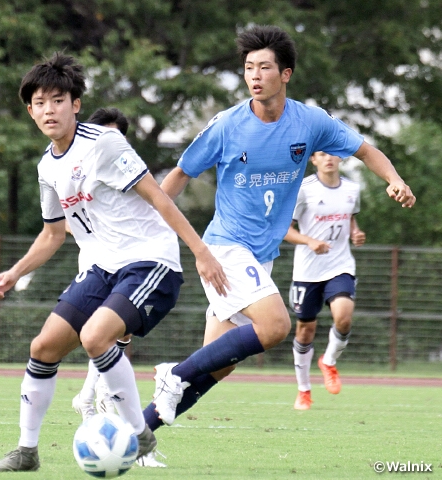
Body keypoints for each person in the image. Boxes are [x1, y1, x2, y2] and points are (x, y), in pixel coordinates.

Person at [144, 24, 415, 431]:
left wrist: (394, 179)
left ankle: (138, 434)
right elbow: (180, 174)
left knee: (218, 364)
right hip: (226, 246)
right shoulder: (227, 125)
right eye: (249, 67)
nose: (254, 75)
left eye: (264, 67)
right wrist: (157, 228)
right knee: (275, 326)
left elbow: (365, 149)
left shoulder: (309, 122)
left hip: (261, 254)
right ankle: (174, 373)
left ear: (285, 74)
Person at [0, 52, 229, 473]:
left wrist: (200, 252)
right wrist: (14, 271)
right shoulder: (47, 166)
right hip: (102, 268)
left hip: (150, 261)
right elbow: (52, 234)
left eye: (58, 100)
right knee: (43, 347)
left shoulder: (104, 142)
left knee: (97, 337)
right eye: (40, 103)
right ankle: (26, 452)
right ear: (30, 110)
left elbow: (158, 197)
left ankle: (137, 432)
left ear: (75, 104)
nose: (49, 110)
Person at [285, 152, 366, 410]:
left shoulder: (352, 188)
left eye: (332, 153)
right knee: (305, 330)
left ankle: (329, 361)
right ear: (313, 160)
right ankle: (304, 390)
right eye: (321, 154)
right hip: (307, 271)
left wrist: (355, 232)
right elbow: (283, 229)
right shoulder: (303, 190)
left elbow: (349, 217)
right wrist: (309, 241)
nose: (328, 158)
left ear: (340, 158)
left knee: (343, 316)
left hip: (340, 264)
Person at [70, 107, 131, 421]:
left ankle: (91, 395)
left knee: (124, 330)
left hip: (126, 254)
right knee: (107, 328)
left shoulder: (124, 170)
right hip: (98, 258)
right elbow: (61, 222)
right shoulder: (78, 170)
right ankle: (98, 396)